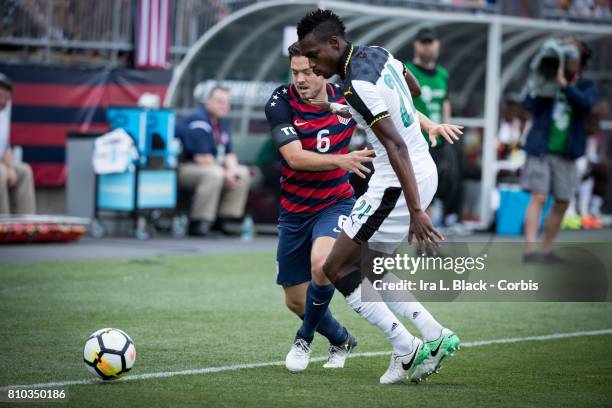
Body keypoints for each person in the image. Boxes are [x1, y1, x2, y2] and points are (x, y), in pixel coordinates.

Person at [297, 9, 463, 384]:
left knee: (335, 268)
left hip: (397, 183)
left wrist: (417, 210)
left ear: (334, 45)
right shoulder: (381, 53)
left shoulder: (357, 86)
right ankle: (434, 335)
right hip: (420, 172)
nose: (310, 64)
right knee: (372, 266)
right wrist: (348, 108)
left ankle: (405, 348)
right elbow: (413, 89)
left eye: (313, 55)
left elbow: (395, 146)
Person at [265, 42, 373, 372]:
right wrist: (340, 159)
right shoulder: (280, 101)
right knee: (294, 300)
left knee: (322, 263)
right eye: (295, 71)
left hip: (335, 203)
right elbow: (294, 157)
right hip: (294, 211)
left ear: (322, 70)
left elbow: (395, 111)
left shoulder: (347, 94)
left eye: (309, 72)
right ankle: (340, 338)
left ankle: (304, 338)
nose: (301, 78)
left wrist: (428, 125)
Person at [522, 38, 597, 262]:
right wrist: (543, 81)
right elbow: (528, 104)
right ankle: (530, 250)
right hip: (541, 149)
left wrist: (565, 85)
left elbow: (585, 105)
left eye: (573, 55)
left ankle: (546, 250)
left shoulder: (586, 85)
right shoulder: (547, 78)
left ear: (581, 61)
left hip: (567, 152)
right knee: (539, 196)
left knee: (563, 200)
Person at [406, 28, 463, 229]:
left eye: (430, 42)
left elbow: (445, 104)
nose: (427, 46)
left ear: (437, 44)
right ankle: (424, 243)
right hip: (416, 142)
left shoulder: (442, 74)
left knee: (435, 192)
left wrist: (447, 137)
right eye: (423, 42)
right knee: (421, 193)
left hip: (438, 143)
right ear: (416, 44)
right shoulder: (406, 70)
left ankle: (428, 241)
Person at [176, 85, 251, 236]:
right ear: (208, 101)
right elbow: (202, 158)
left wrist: (232, 170)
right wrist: (225, 172)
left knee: (241, 172)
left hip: (211, 165)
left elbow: (229, 153)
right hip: (183, 167)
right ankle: (198, 222)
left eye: (227, 102)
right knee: (214, 174)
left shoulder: (221, 123)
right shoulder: (198, 120)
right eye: (219, 102)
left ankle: (224, 219)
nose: (224, 106)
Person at [0, 73, 36, 215]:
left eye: (6, 99)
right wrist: (6, 169)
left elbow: (5, 148)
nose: (3, 101)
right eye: (0, 96)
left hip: (2, 163)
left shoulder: (3, 118)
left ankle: (26, 222)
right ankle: (4, 224)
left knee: (24, 171)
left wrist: (11, 168)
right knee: (1, 173)